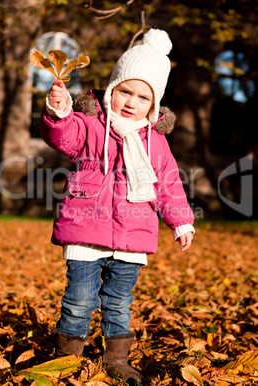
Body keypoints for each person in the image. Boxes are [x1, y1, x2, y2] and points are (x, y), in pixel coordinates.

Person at [41, 28, 195, 385]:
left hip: (132, 237)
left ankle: (116, 359)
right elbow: (64, 135)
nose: (131, 102)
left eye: (143, 97)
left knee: (118, 302)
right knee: (79, 299)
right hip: (85, 230)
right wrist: (59, 111)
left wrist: (181, 222)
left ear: (153, 105)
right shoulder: (91, 126)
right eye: (125, 91)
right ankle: (67, 357)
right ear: (112, 89)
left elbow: (169, 183)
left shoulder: (155, 142)